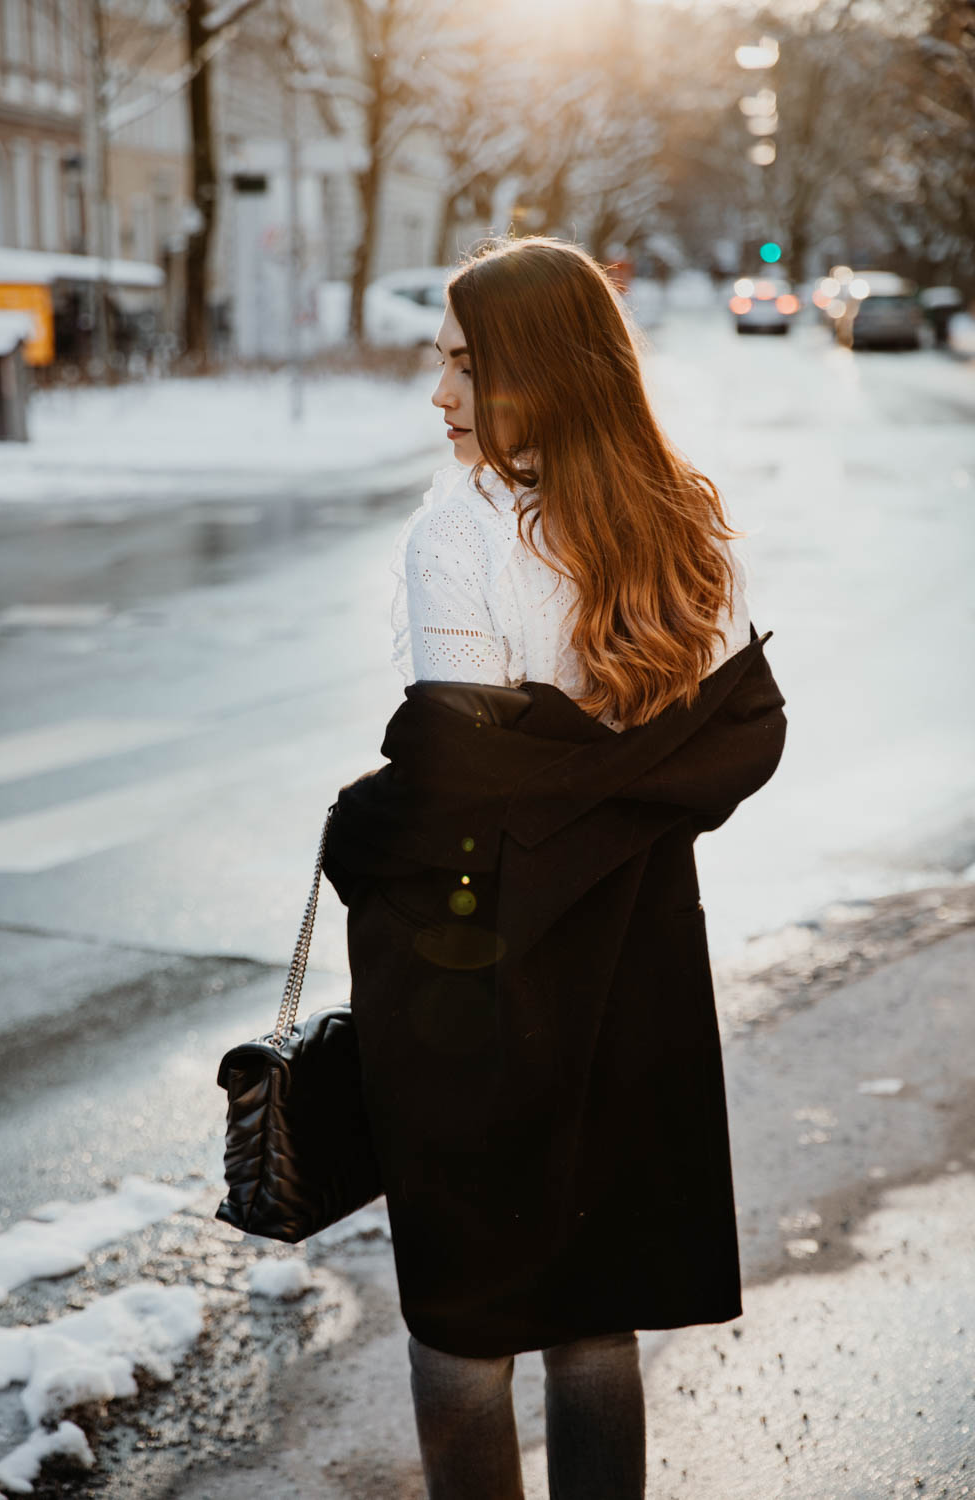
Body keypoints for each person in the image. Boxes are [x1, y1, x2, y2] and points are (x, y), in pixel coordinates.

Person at [323, 237, 787, 1499]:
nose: (442, 398)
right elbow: (738, 737)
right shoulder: (684, 521)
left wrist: (357, 827)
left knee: (463, 1325)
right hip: (631, 953)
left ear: (537, 367)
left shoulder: (458, 535)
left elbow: (461, 772)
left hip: (470, 969)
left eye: (465, 366)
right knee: (595, 1309)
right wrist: (610, 787)